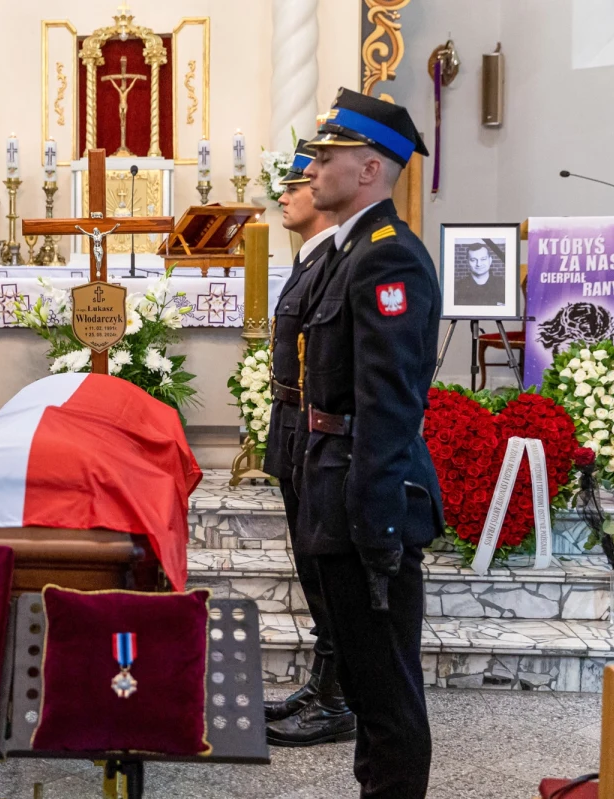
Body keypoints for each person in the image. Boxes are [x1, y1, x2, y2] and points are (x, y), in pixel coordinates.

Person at [299, 88, 443, 799]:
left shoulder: (390, 260)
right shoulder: (347, 251)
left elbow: (387, 406)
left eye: (328, 157)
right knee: (363, 680)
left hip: (366, 500)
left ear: (370, 169)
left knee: (386, 696)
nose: (313, 168)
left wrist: (376, 525)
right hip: (339, 492)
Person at [261, 139, 355, 747]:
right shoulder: (307, 260)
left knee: (326, 569)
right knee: (309, 563)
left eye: (296, 184)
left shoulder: (334, 261)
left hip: (318, 432)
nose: (289, 193)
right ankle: (324, 684)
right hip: (294, 426)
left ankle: (339, 695)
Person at [453, 240, 505, 307]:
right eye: (473, 260)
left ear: (490, 260)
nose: (479, 264)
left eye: (483, 259)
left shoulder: (503, 284)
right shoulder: (457, 287)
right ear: (467, 262)